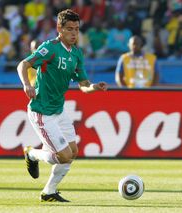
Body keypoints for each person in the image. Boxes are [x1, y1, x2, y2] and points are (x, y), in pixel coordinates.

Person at [17, 9, 107, 202]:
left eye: (76, 29)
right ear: (59, 28)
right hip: (41, 111)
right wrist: (26, 84)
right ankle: (32, 154)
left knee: (72, 152)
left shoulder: (76, 53)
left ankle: (49, 191)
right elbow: (23, 65)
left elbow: (83, 85)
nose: (74, 33)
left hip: (59, 110)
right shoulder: (49, 48)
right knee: (64, 155)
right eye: (69, 29)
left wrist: (94, 87)